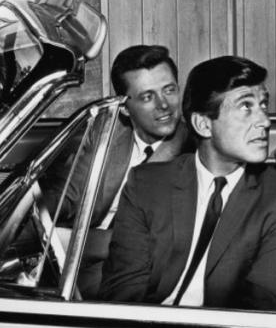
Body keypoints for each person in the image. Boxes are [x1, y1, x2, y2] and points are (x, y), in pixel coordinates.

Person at [98, 56, 276, 311]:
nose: (264, 120)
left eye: (263, 104)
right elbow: (122, 291)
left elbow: (260, 303)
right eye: (245, 107)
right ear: (203, 124)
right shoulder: (145, 184)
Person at [49, 45, 193, 229]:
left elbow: (154, 235)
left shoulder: (191, 147)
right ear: (124, 107)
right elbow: (69, 195)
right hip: (80, 237)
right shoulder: (106, 129)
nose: (163, 104)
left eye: (169, 90)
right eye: (147, 97)